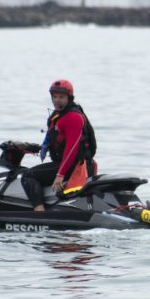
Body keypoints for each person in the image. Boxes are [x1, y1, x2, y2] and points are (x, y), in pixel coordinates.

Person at [21, 79, 97, 212]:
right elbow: (55, 139)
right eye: (54, 97)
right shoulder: (59, 115)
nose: (57, 100)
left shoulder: (73, 117)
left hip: (74, 166)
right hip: (70, 164)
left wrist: (60, 175)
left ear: (69, 98)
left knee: (28, 176)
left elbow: (72, 148)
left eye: (61, 97)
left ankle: (39, 213)